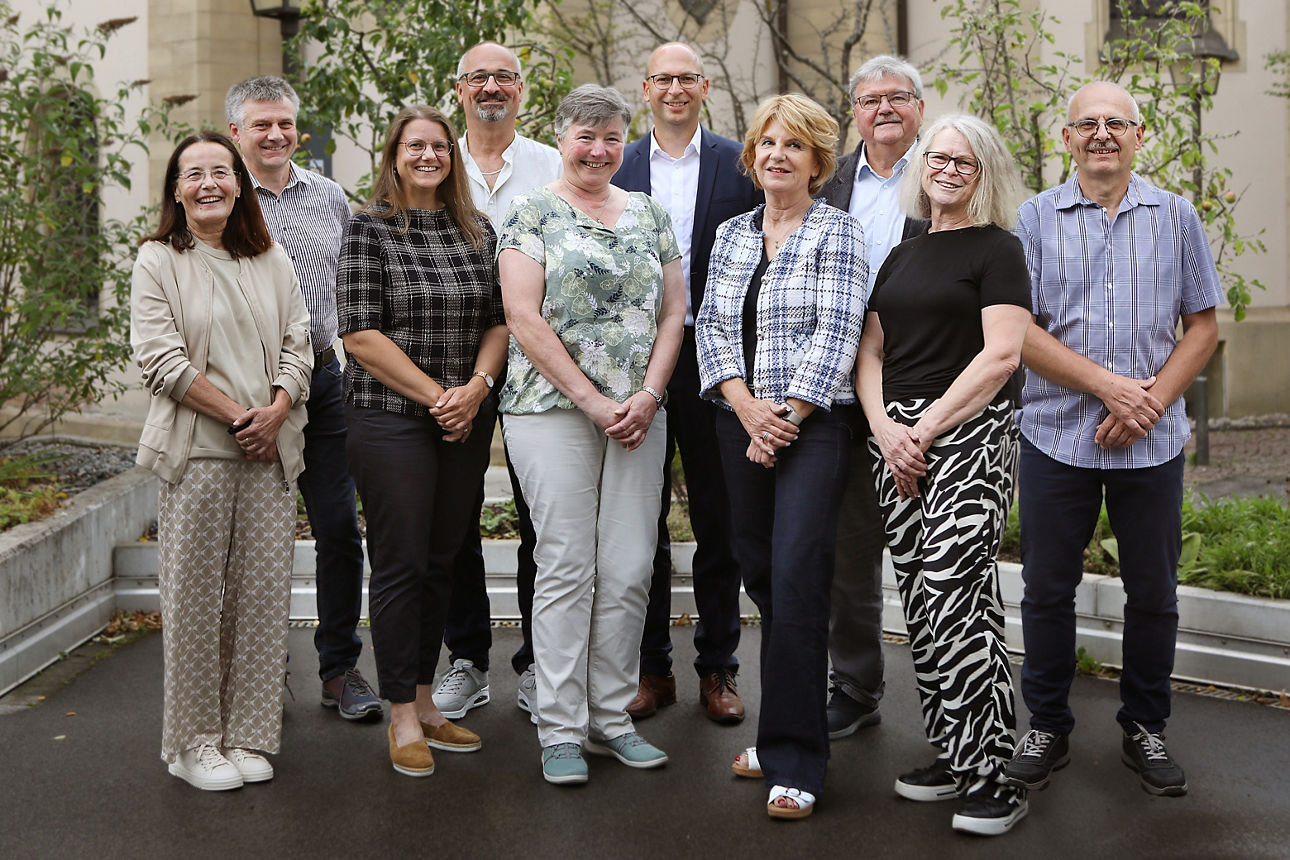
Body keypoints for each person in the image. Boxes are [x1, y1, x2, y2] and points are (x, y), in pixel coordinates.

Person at [1005, 81, 1220, 799]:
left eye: (1116, 123)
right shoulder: (1033, 219)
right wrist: (1108, 386)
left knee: (1153, 592)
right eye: (1087, 124)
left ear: (1140, 135)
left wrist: (1150, 402)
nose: (1102, 134)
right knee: (1046, 591)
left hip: (1149, 443)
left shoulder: (1176, 216)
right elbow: (1019, 332)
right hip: (1055, 437)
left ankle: (1146, 727)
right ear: (1065, 139)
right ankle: (1048, 726)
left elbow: (1203, 327)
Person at [498, 84, 685, 786]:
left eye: (611, 138)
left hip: (640, 413)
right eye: (586, 135)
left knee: (632, 564)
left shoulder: (649, 213)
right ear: (562, 136)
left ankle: (610, 717)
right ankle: (560, 728)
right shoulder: (530, 210)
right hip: (550, 409)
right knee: (568, 565)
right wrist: (593, 400)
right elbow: (523, 315)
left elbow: (673, 314)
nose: (599, 149)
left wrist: (646, 394)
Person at [854, 113, 1032, 836]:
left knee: (955, 592)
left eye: (964, 161)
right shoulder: (903, 253)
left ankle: (994, 776)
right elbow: (870, 350)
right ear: (921, 168)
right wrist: (885, 428)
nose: (948, 169)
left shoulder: (1000, 249)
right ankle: (955, 754)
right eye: (938, 158)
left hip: (969, 435)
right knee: (924, 603)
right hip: (896, 441)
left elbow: (1000, 358)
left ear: (984, 172)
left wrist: (923, 429)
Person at [698, 94, 866, 820]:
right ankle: (779, 727)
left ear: (817, 161)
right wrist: (744, 407)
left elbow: (839, 331)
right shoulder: (734, 234)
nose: (776, 155)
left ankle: (796, 756)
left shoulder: (840, 232)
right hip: (738, 421)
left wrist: (784, 417)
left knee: (797, 580)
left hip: (814, 428)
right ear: (753, 157)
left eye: (793, 146)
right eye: (767, 144)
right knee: (760, 570)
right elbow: (710, 324)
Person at [131, 130, 312, 790]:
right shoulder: (157, 260)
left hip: (269, 455)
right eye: (193, 173)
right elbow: (159, 360)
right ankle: (192, 743)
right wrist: (240, 418)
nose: (208, 183)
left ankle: (248, 736)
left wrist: (276, 409)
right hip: (199, 454)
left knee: (260, 605)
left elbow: (301, 346)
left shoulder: (270, 259)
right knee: (195, 606)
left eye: (220, 172)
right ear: (176, 191)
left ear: (238, 183)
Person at [336, 105, 508, 777]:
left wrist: (476, 387)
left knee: (443, 557)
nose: (430, 155)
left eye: (440, 145)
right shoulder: (369, 228)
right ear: (394, 155)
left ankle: (430, 702)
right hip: (390, 418)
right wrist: (436, 395)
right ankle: (401, 710)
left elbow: (498, 320)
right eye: (416, 145)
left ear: (451, 155)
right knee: (403, 561)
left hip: (464, 416)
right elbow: (359, 333)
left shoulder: (477, 230)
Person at [612, 41, 761, 724]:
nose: (675, 89)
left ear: (705, 87)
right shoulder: (618, 161)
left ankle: (718, 668)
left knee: (718, 518)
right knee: (640, 519)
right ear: (646, 89)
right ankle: (651, 670)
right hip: (636, 361)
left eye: (687, 79)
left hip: (715, 356)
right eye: (663, 79)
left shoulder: (739, 162)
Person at [225, 76, 380, 723]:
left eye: (285, 123)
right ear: (236, 131)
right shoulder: (221, 199)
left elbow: (357, 282)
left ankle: (340, 669)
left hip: (322, 382)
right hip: (243, 390)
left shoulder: (331, 198)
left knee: (340, 530)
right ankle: (257, 670)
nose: (276, 134)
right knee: (253, 536)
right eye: (261, 124)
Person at [433, 41, 562, 724]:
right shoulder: (432, 159)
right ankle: (466, 659)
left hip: (542, 364)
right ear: (459, 89)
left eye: (504, 77)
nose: (492, 86)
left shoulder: (552, 164)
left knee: (543, 516)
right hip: (458, 369)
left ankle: (541, 664)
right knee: (456, 519)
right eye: (478, 76)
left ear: (521, 90)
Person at [816, 54, 927, 739]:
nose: (883, 108)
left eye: (897, 96)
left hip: (931, 388)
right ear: (853, 113)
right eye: (869, 99)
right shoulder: (826, 185)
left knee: (932, 553)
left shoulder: (952, 172)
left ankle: (951, 699)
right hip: (841, 393)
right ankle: (855, 685)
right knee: (849, 551)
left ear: (919, 106)